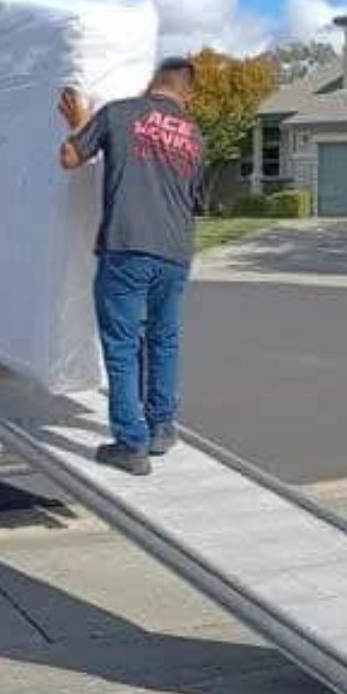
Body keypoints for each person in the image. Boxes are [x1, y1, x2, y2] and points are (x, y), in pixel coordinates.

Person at [58, 57, 204, 476]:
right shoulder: (195, 135)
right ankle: (161, 427)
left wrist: (77, 122)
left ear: (151, 83)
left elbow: (69, 157)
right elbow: (194, 197)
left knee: (122, 345)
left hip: (127, 245)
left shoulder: (120, 112)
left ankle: (130, 444)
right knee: (163, 340)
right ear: (187, 93)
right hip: (176, 253)